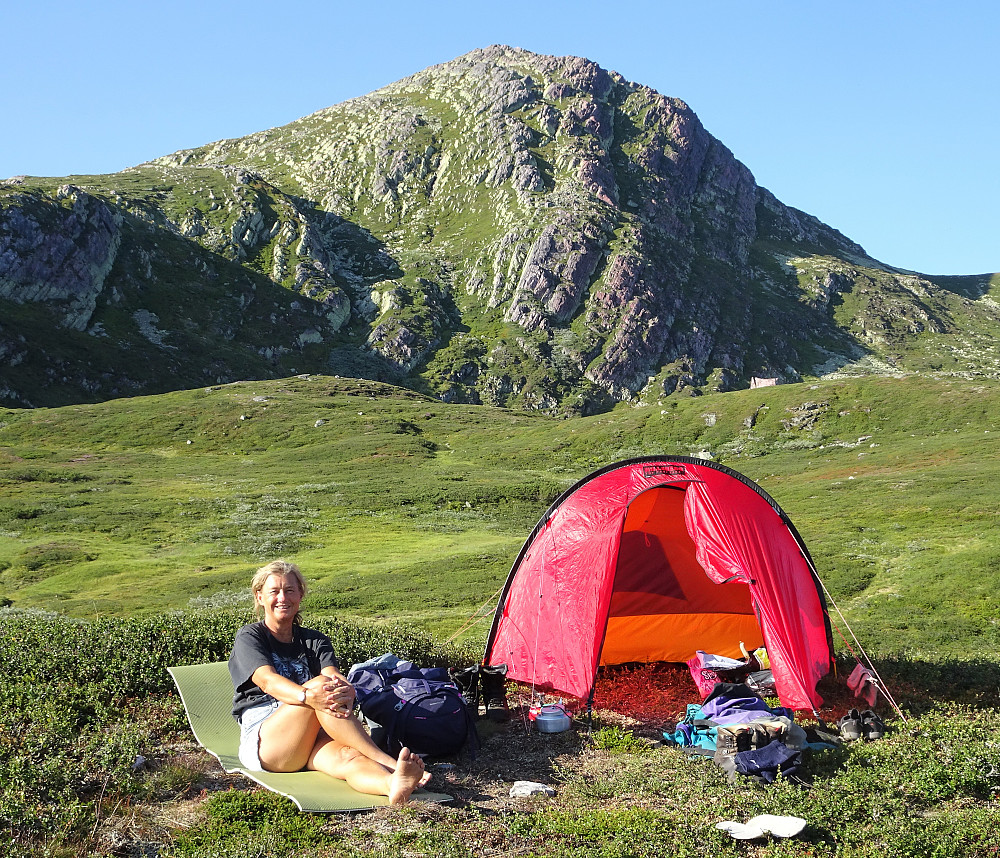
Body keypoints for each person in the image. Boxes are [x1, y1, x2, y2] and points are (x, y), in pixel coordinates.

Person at [228, 559, 428, 805]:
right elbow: (267, 681)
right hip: (268, 741)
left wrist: (344, 688)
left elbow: (332, 675)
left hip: (311, 737)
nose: (283, 597)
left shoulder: (315, 641)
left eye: (290, 590)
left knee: (349, 756)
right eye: (274, 591)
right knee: (320, 686)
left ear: (300, 594)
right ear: (260, 597)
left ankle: (393, 785)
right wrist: (308, 696)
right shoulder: (250, 637)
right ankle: (388, 761)